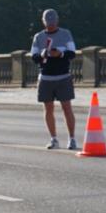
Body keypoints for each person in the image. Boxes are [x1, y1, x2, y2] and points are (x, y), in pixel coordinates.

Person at [30, 9, 77, 149]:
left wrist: (60, 54)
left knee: (66, 108)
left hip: (63, 76)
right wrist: (43, 55)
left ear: (57, 21)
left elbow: (72, 53)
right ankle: (53, 138)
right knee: (48, 109)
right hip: (45, 77)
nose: (50, 25)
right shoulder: (38, 37)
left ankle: (72, 138)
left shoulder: (65, 34)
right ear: (44, 22)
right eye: (48, 23)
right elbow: (34, 57)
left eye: (53, 22)